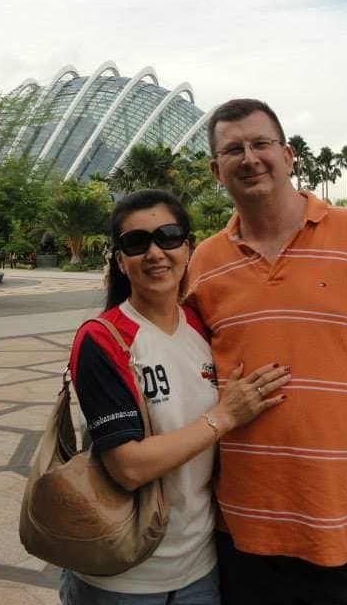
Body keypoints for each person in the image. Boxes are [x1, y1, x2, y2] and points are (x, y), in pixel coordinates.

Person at [186, 99, 347, 605]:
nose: (250, 158)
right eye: (233, 149)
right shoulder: (206, 263)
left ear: (288, 156)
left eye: (261, 144)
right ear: (216, 171)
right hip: (244, 537)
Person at [61, 188, 290, 605]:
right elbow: (128, 467)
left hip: (200, 570)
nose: (155, 253)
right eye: (136, 242)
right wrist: (224, 417)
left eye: (167, 237)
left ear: (188, 248)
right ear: (119, 261)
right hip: (122, 576)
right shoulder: (103, 340)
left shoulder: (204, 330)